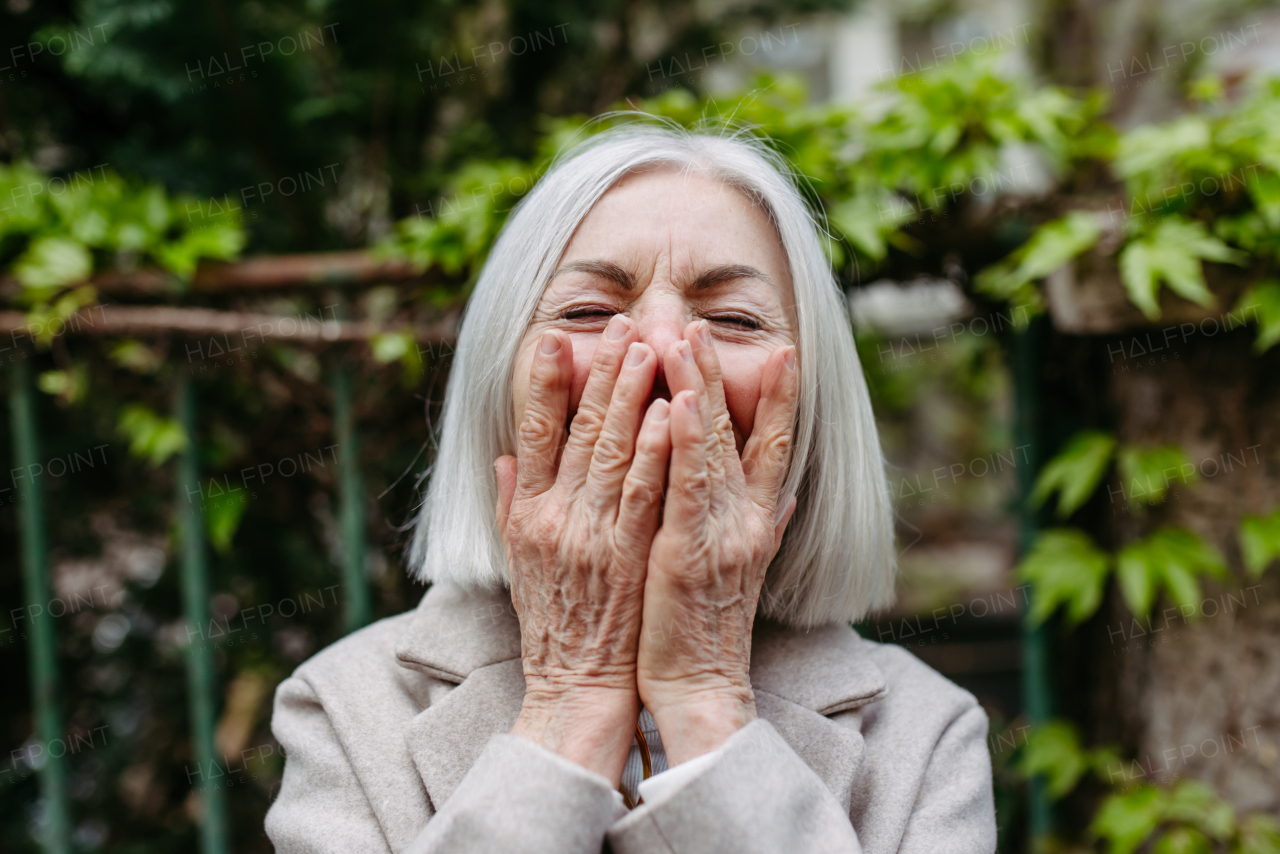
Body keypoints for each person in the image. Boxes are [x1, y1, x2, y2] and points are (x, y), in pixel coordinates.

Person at [265, 122, 997, 854]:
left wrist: (708, 703)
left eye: (734, 320)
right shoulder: (344, 710)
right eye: (588, 313)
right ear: (500, 388)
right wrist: (569, 705)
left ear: (808, 408)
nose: (657, 351)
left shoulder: (926, 732)